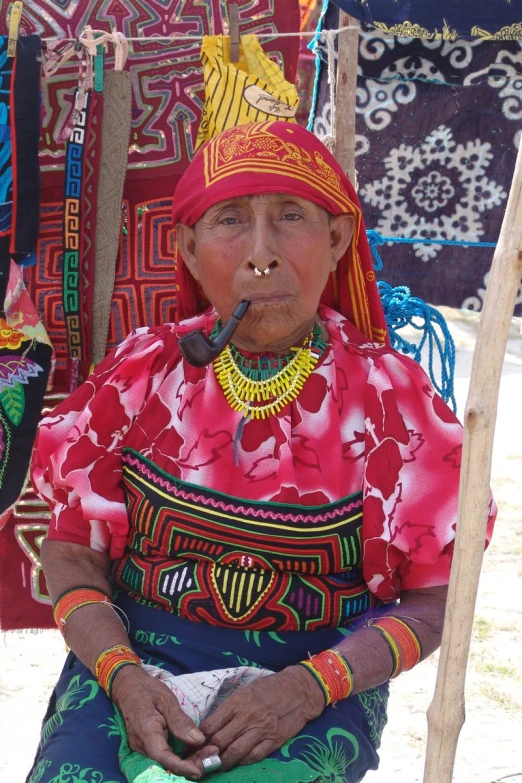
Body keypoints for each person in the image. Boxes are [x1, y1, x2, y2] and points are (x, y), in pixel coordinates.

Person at [28, 121, 495, 783]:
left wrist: (305, 687)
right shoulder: (138, 376)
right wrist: (124, 676)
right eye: (229, 222)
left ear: (336, 239)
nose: (261, 254)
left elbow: (436, 596)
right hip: (130, 668)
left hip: (313, 684)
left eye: (290, 217)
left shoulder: (393, 401)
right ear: (188, 249)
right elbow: (73, 549)